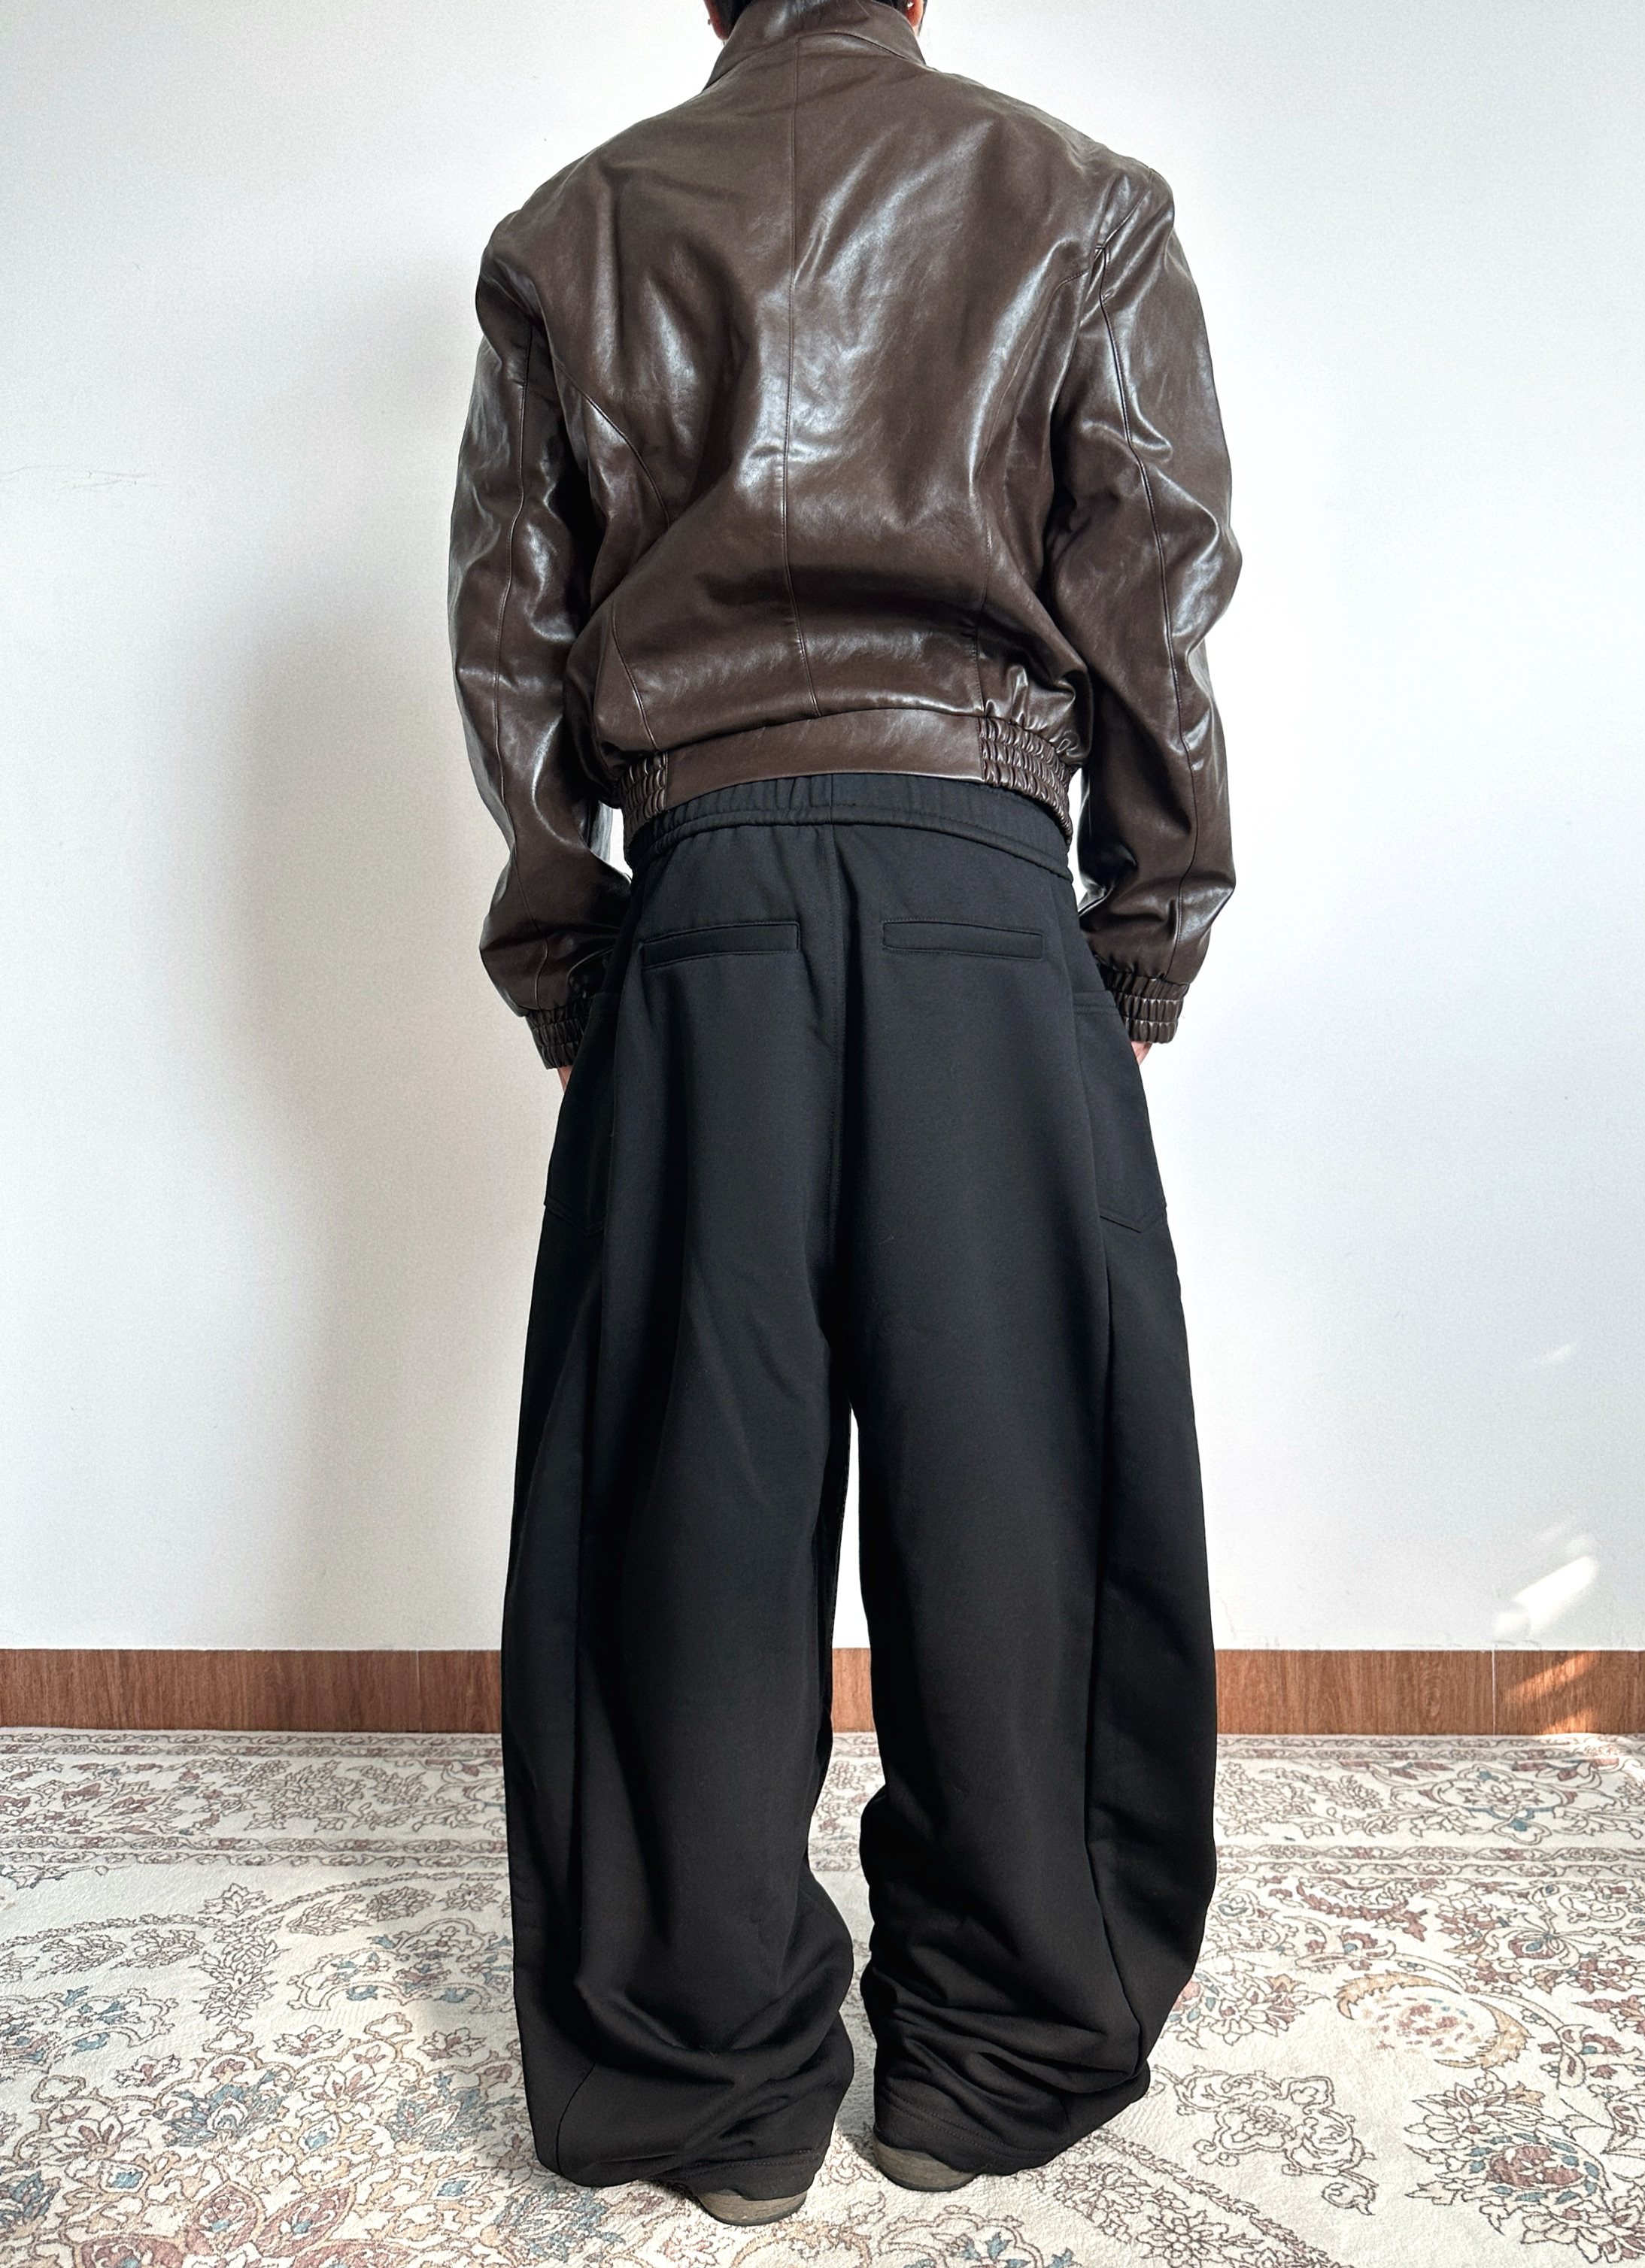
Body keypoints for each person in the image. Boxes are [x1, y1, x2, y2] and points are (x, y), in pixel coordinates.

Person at [448, 0, 1239, 2229]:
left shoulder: (576, 229)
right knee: (1027, 1497)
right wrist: (1144, 933)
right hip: (983, 892)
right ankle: (995, 2057)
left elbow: (511, 641)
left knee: (676, 1509)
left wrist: (576, 957)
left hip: (706, 898)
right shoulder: (1078, 198)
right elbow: (1153, 593)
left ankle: (704, 2087)